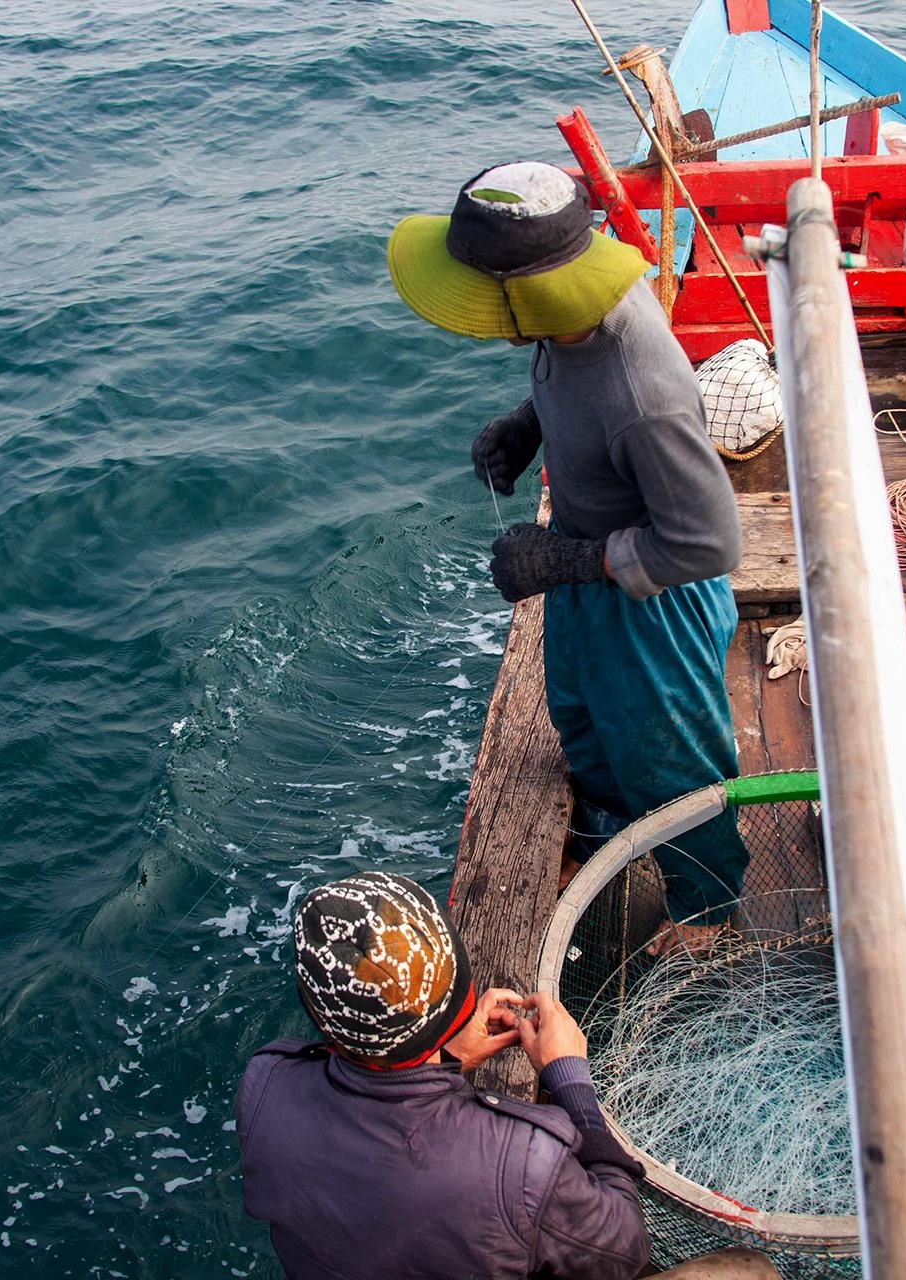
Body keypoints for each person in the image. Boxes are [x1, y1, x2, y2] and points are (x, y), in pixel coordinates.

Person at [387, 161, 746, 950]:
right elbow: (572, 378)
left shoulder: (644, 394)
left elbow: (710, 540)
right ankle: (608, 837)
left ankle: (708, 907)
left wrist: (563, 564)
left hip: (654, 604)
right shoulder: (574, 311)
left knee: (671, 761)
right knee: (581, 718)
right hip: (588, 567)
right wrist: (529, 423)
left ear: (534, 292)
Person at [234, 870, 651, 1279]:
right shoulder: (527, 1162)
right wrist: (571, 1083)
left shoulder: (264, 1084)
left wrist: (448, 1059)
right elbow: (624, 1252)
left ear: (327, 1028)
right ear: (465, 996)